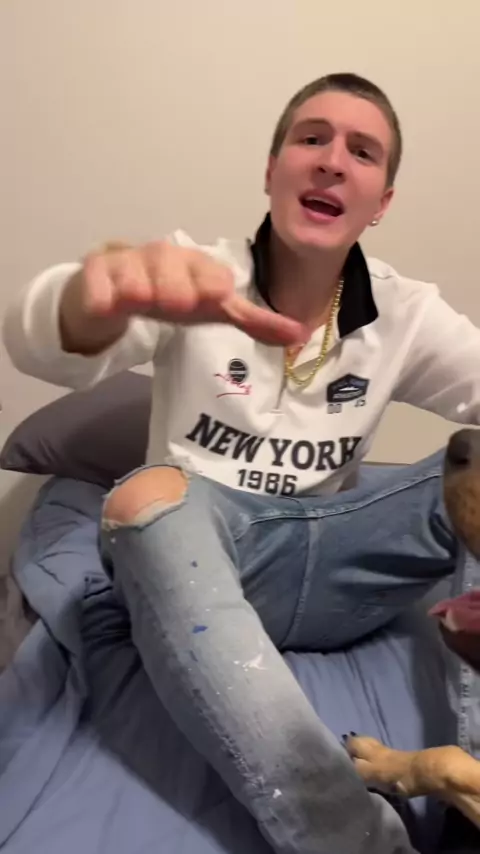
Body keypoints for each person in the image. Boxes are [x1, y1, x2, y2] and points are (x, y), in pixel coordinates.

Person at [4, 71, 480, 854]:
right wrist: (86, 301)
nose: (332, 161)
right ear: (271, 170)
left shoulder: (407, 313)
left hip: (337, 572)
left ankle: (472, 793)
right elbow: (46, 349)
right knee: (146, 495)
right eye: (311, 138)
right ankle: (356, 840)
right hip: (202, 561)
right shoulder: (196, 276)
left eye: (362, 152)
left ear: (382, 202)